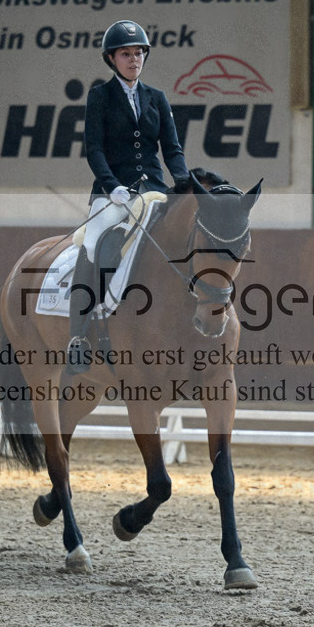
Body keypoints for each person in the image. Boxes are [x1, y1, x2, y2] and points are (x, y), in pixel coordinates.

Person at [67, 19, 190, 373]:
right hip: (114, 192)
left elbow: (172, 149)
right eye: (126, 53)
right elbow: (94, 149)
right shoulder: (100, 97)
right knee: (94, 243)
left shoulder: (157, 98)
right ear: (112, 58)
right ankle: (81, 334)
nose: (134, 59)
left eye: (139, 53)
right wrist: (110, 185)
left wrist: (182, 183)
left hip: (152, 189)